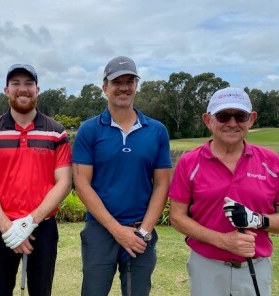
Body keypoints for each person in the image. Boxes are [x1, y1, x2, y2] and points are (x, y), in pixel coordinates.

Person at [72, 56, 172, 296]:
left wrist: (144, 232)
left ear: (136, 86)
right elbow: (82, 184)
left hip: (141, 230)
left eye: (130, 81)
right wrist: (117, 230)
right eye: (117, 82)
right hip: (100, 229)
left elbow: (162, 184)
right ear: (105, 87)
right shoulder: (90, 130)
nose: (124, 87)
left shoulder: (156, 131)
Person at [169, 86, 279, 296]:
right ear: (208, 120)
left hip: (255, 266)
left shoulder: (272, 162)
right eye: (223, 116)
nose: (232, 123)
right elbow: (177, 218)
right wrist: (224, 241)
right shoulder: (189, 163)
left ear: (251, 119)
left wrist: (257, 220)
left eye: (240, 116)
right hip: (206, 267)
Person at [0, 63, 72, 296]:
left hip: (43, 228)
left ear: (37, 89)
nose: (22, 89)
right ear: (6, 90)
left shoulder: (56, 132)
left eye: (28, 84)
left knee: (41, 291)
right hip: (1, 227)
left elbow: (64, 183)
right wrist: (9, 230)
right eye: (15, 83)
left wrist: (28, 223)